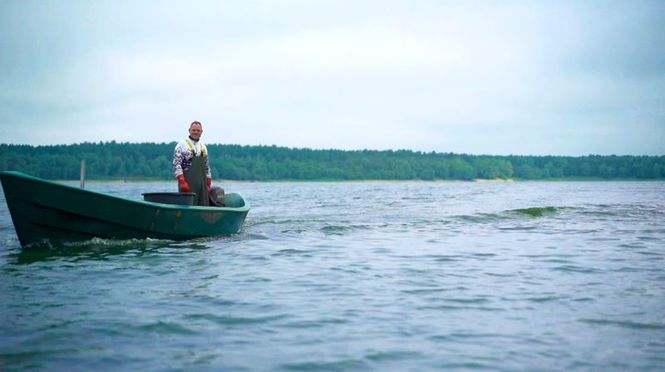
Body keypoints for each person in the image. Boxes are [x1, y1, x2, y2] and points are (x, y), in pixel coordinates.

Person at [172, 121, 212, 206]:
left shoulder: (203, 147)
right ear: (189, 130)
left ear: (201, 132)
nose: (196, 132)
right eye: (194, 130)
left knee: (203, 206)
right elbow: (176, 164)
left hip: (202, 184)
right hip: (187, 184)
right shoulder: (181, 145)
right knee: (187, 206)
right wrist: (182, 181)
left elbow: (207, 167)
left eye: (198, 130)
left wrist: (208, 182)